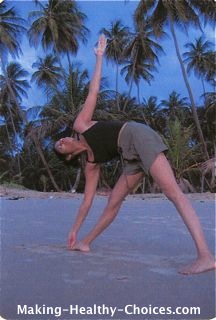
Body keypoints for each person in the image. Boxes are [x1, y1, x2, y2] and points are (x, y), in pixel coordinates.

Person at [55, 34, 215, 275]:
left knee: (173, 193)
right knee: (113, 202)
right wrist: (74, 230)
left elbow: (93, 92)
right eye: (60, 146)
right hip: (130, 158)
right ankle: (85, 242)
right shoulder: (91, 165)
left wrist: (99, 57)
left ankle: (205, 256)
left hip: (137, 137)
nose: (63, 140)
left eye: (61, 138)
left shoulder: (81, 125)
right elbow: (86, 202)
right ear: (67, 157)